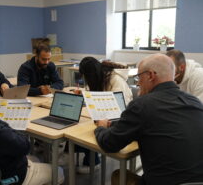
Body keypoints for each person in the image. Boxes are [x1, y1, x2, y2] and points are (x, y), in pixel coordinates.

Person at [95, 54, 203, 185]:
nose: (138, 83)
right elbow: (160, 124)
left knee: (119, 176)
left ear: (151, 75)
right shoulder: (194, 101)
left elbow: (109, 144)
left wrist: (100, 127)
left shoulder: (142, 104)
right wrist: (116, 125)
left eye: (139, 77)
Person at [75, 57, 133, 174]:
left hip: (120, 118)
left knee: (89, 130)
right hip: (103, 115)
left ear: (91, 74)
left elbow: (121, 107)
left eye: (87, 77)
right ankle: (89, 157)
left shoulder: (115, 80)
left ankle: (92, 162)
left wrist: (103, 117)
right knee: (79, 127)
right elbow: (95, 94)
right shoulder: (98, 77)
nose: (86, 81)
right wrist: (84, 94)